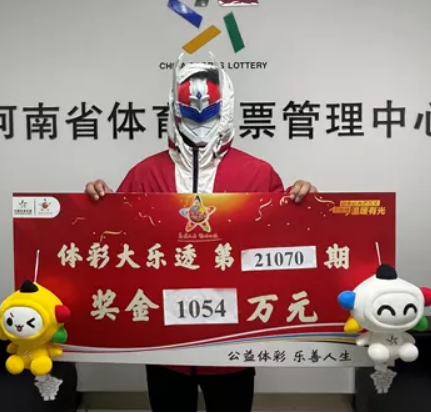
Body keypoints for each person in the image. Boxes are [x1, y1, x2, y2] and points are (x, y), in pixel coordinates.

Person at [85, 52, 318, 413]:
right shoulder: (145, 174)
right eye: (189, 112)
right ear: (174, 110)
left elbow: (282, 246)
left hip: (233, 341)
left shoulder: (258, 174)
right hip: (165, 342)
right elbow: (119, 246)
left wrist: (307, 206)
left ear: (225, 108)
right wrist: (99, 205)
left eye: (208, 112)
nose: (198, 121)